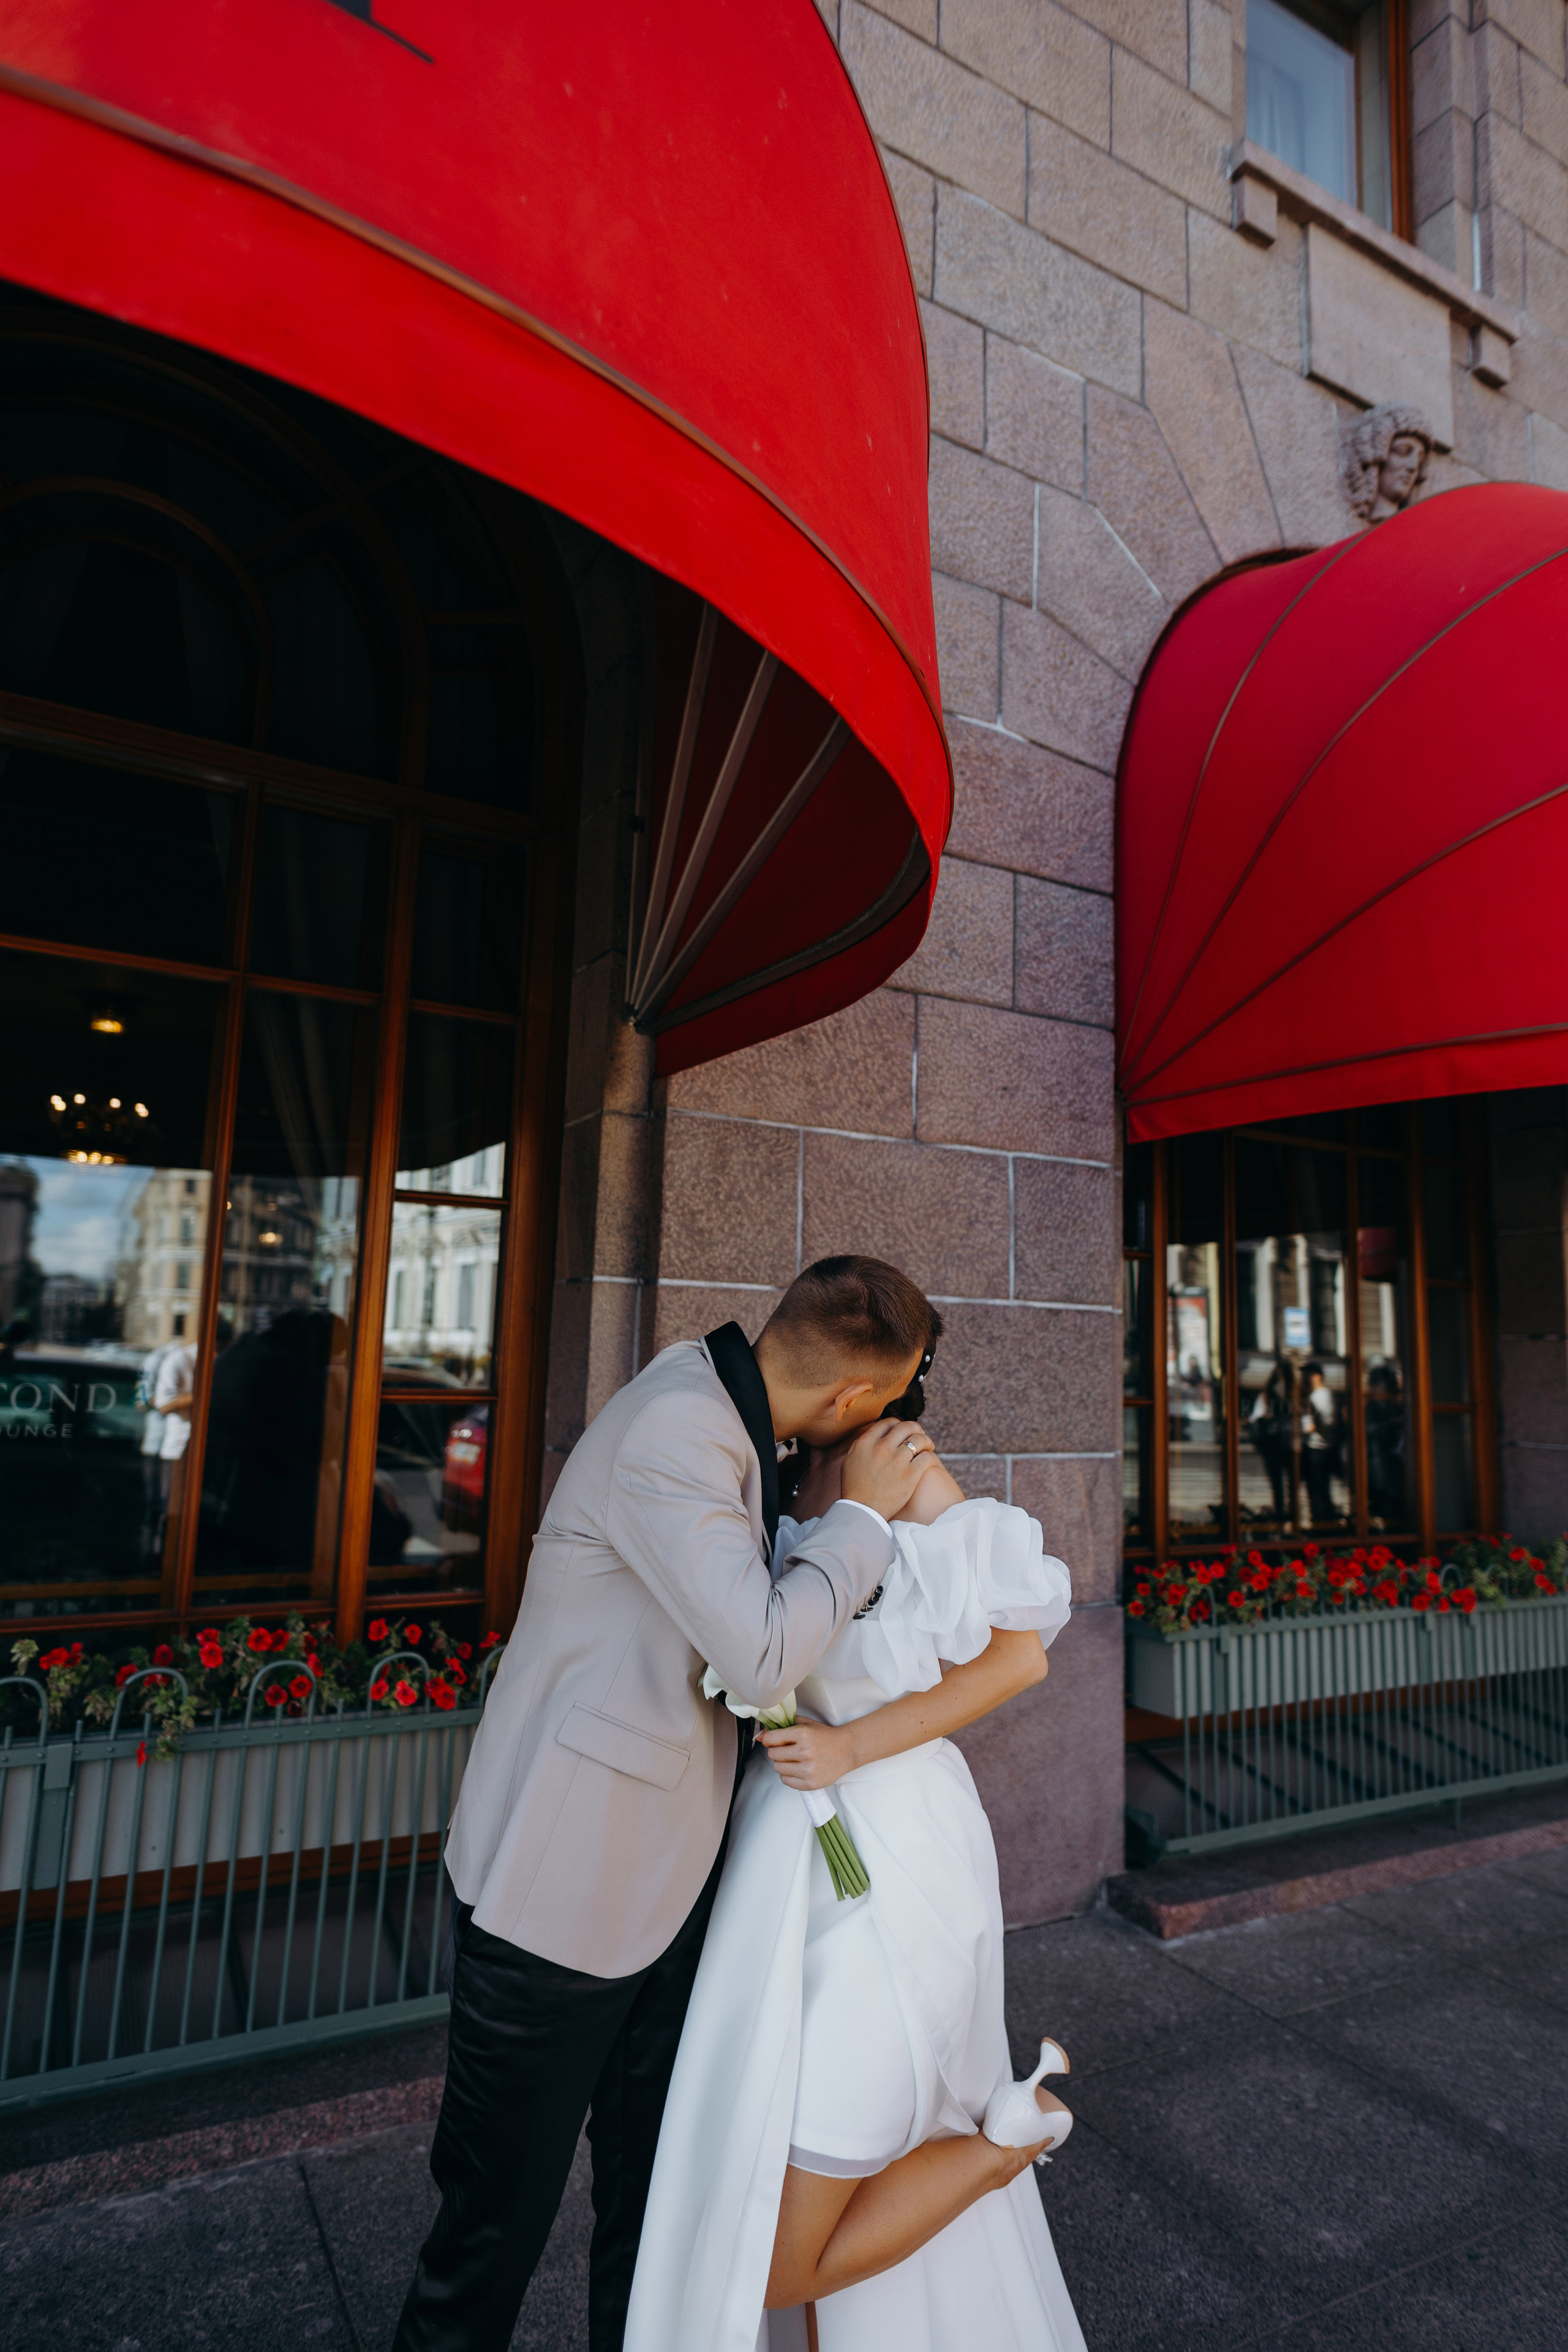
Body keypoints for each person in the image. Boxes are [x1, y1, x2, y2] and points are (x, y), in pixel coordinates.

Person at [392, 1256, 944, 2352]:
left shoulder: (733, 1424)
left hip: (672, 1889)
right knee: (489, 2237)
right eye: (897, 1396)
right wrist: (863, 1519)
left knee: (650, 2220)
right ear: (850, 1398)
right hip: (558, 1901)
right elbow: (761, 1650)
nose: (901, 1415)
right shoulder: (678, 1427)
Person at [624, 1403, 1087, 2352]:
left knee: (790, 2233)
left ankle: (1011, 2142)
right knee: (763, 2139)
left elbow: (1021, 1658)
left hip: (895, 1842)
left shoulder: (910, 1469)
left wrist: (850, 1746)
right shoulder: (772, 1473)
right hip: (780, 1845)